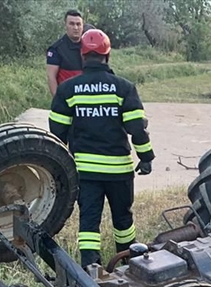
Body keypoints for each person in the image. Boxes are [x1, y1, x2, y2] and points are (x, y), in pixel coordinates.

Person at [49, 28, 155, 268]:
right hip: (119, 171)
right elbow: (137, 128)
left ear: (83, 57)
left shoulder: (67, 89)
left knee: (88, 224)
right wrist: (146, 157)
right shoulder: (123, 88)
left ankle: (90, 270)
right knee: (123, 220)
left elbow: (57, 135)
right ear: (108, 56)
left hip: (85, 173)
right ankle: (130, 265)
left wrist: (57, 172)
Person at [46, 9, 94, 95]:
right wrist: (58, 101)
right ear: (65, 25)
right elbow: (51, 77)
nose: (75, 28)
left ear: (83, 26)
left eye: (78, 24)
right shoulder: (56, 49)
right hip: (68, 98)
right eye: (71, 24)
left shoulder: (91, 46)